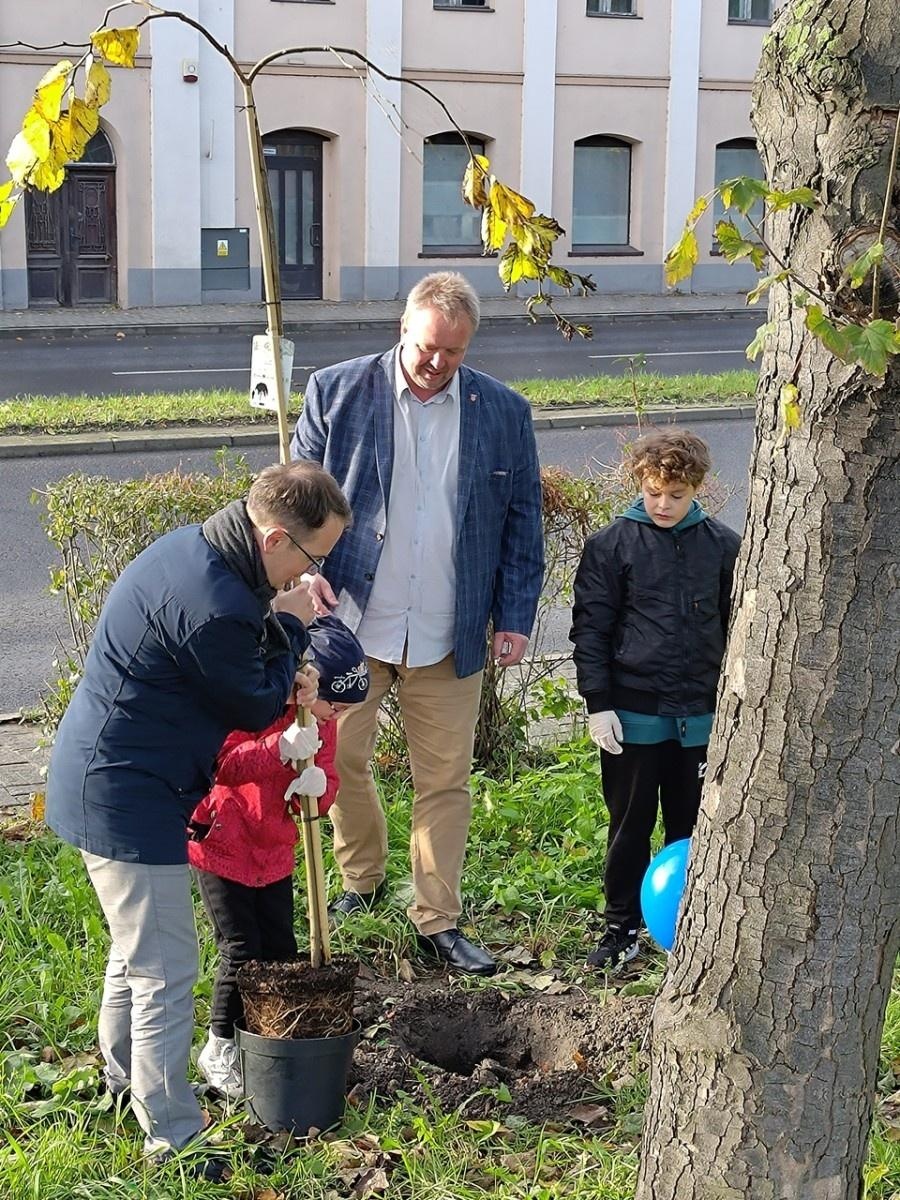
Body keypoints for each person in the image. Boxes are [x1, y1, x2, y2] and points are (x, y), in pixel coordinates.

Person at [45, 461, 351, 1173]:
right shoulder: (216, 608)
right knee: (165, 969)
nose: (313, 575)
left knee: (135, 951)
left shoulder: (195, 547)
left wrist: (278, 619)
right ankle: (173, 1138)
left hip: (111, 773)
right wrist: (292, 627)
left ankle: (122, 1080)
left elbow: (245, 657)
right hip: (129, 795)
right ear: (274, 539)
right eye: (313, 559)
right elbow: (253, 701)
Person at [290, 271, 545, 977]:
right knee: (339, 762)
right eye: (428, 347)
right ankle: (362, 880)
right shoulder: (336, 391)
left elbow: (523, 519)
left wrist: (515, 616)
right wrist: (302, 571)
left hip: (447, 629)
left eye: (453, 352)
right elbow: (293, 501)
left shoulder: (504, 412)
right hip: (349, 626)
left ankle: (438, 919)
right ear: (403, 328)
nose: (437, 363)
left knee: (445, 781)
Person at [570, 429, 740, 970]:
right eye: (653, 492)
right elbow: (591, 630)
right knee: (630, 824)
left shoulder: (723, 546)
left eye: (676, 495)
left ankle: (692, 926)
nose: (663, 504)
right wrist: (598, 703)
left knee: (694, 828)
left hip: (701, 717)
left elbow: (736, 627)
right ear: (640, 483)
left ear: (697, 489)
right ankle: (621, 925)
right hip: (634, 714)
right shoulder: (611, 546)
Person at [188, 615, 370, 1099]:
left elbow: (325, 779)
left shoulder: (322, 723)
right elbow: (224, 764)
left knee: (281, 950)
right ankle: (220, 1046)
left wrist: (317, 790)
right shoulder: (255, 702)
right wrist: (278, 749)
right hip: (224, 844)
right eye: (335, 705)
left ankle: (265, 1042)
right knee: (241, 951)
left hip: (274, 849)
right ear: (306, 684)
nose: (337, 717)